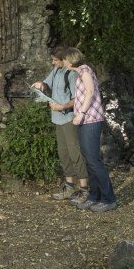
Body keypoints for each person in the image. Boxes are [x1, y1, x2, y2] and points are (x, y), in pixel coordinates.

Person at [62, 47, 117, 212]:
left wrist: (81, 113)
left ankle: (109, 200)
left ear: (71, 59)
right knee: (89, 161)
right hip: (84, 121)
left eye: (64, 59)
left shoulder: (85, 71)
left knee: (94, 161)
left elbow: (91, 92)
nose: (63, 62)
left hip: (91, 120)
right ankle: (94, 196)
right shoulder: (79, 73)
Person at [33, 46, 89, 201]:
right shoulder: (56, 71)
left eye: (55, 60)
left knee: (74, 153)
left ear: (64, 60)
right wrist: (40, 85)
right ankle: (69, 187)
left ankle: (84, 189)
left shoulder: (71, 75)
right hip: (57, 118)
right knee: (63, 154)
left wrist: (63, 106)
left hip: (69, 118)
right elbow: (47, 84)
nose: (53, 62)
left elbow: (77, 99)